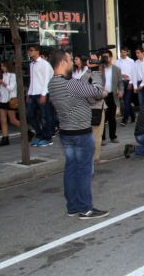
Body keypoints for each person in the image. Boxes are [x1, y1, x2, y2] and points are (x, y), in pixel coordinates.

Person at [47, 49, 109, 220]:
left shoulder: (52, 83)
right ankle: (85, 209)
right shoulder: (70, 84)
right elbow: (98, 92)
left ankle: (73, 207)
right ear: (62, 63)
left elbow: (80, 90)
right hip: (81, 133)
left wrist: (88, 71)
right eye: (68, 60)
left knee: (71, 169)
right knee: (84, 171)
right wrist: (95, 71)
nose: (72, 63)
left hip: (66, 132)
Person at [26, 44, 54, 147]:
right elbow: (32, 80)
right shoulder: (31, 64)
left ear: (37, 52)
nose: (29, 52)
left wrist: (44, 94)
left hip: (42, 93)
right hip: (33, 93)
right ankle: (39, 134)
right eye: (29, 50)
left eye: (31, 50)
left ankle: (48, 138)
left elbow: (47, 79)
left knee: (44, 116)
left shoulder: (44, 64)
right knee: (30, 115)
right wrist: (29, 92)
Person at [82, 55, 106, 163]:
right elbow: (97, 95)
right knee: (96, 135)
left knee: (89, 135)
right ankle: (95, 158)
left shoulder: (84, 76)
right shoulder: (95, 76)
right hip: (96, 108)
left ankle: (90, 158)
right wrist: (105, 92)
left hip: (86, 108)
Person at [99, 50, 123, 146]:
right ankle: (103, 137)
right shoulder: (100, 69)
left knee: (112, 117)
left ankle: (113, 136)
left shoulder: (116, 69)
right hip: (102, 96)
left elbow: (120, 82)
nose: (105, 59)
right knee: (102, 118)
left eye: (106, 57)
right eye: (103, 57)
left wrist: (121, 91)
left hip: (112, 95)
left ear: (111, 57)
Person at [0, 61, 20, 146]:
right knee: (2, 120)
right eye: (1, 66)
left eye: (3, 66)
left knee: (13, 120)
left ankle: (27, 131)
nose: (2, 68)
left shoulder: (13, 75)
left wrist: (1, 82)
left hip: (10, 99)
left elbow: (11, 88)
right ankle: (5, 138)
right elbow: (1, 89)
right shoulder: (2, 75)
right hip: (3, 99)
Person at [115, 47, 136, 126]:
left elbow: (133, 72)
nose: (122, 53)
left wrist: (131, 82)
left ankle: (125, 119)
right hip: (121, 83)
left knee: (126, 101)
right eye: (121, 52)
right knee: (125, 101)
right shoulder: (117, 62)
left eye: (124, 52)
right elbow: (116, 73)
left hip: (128, 82)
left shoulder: (131, 61)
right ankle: (133, 115)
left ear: (127, 52)